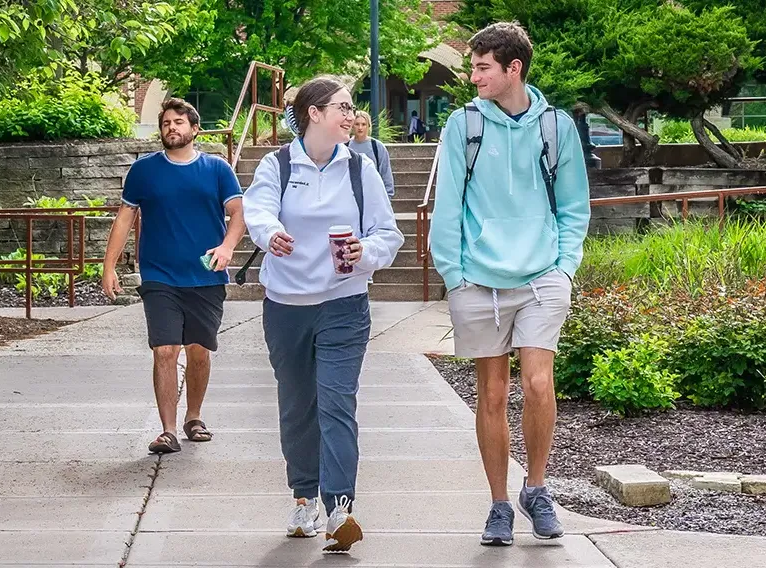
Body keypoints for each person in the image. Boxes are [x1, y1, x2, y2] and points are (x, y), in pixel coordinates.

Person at [429, 22, 591, 547]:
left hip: (542, 275)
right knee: (493, 393)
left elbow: (572, 208)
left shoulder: (557, 127)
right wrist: (454, 277)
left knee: (539, 383)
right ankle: (499, 503)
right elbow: (448, 206)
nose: (473, 76)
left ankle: (537, 489)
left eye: (482, 67)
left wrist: (564, 268)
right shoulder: (463, 126)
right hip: (477, 279)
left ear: (512, 68)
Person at [243, 76, 403, 554]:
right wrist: (271, 235)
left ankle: (340, 510)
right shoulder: (276, 165)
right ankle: (303, 498)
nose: (351, 114)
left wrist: (364, 251)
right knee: (298, 407)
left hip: (344, 305)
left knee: (337, 404)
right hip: (286, 308)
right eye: (342, 106)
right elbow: (258, 211)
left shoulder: (361, 170)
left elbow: (387, 234)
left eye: (352, 107)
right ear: (314, 113)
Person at [101, 98, 245, 455]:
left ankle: (193, 417)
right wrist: (108, 266)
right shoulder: (144, 171)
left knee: (198, 350)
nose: (172, 128)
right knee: (165, 350)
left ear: (194, 130)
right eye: (166, 122)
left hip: (205, 275)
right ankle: (167, 430)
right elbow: (124, 219)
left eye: (179, 122)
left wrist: (227, 247)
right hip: (159, 275)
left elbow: (238, 212)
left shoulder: (217, 169)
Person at [348, 110, 395, 199]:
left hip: (373, 195)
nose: (360, 127)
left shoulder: (377, 147)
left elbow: (386, 174)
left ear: (369, 126)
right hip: (350, 196)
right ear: (352, 126)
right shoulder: (345, 146)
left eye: (363, 124)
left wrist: (387, 198)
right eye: (357, 124)